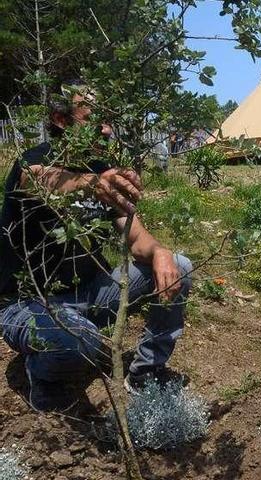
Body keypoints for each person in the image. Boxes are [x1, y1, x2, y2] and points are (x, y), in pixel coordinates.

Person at [0, 88, 193, 412]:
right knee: (79, 340)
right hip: (27, 303)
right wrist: (92, 183)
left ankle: (145, 375)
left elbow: (136, 238)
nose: (105, 129)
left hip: (90, 292)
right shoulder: (32, 162)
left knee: (180, 265)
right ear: (61, 120)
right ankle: (43, 378)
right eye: (93, 119)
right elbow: (40, 180)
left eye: (107, 120)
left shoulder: (103, 171)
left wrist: (159, 251)